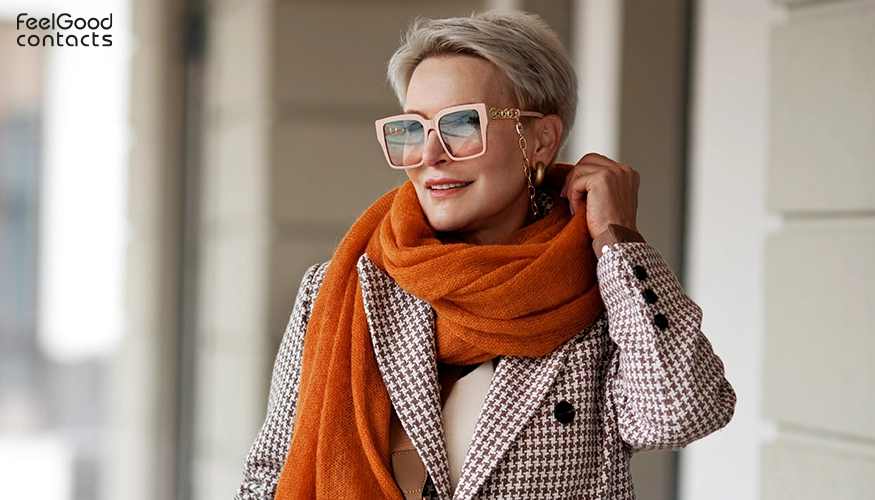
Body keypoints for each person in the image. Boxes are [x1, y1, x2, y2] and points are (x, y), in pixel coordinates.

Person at [236, 10, 735, 500]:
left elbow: (680, 412)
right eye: (413, 128)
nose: (429, 155)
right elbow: (270, 477)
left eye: (460, 125)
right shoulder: (349, 288)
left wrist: (616, 237)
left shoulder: (603, 289)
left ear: (540, 140)